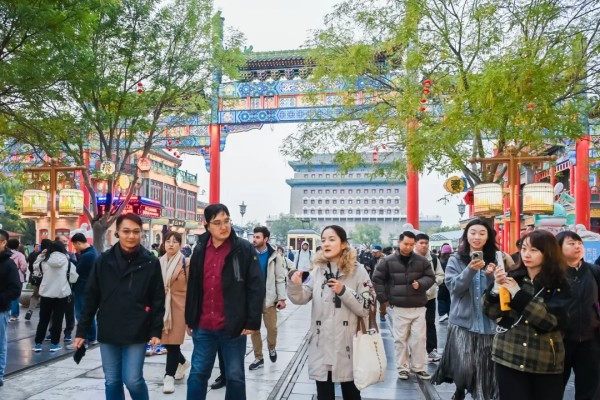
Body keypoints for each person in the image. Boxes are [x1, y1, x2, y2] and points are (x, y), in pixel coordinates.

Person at [73, 213, 165, 400]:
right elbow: (91, 298)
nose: (131, 236)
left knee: (133, 380)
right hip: (109, 328)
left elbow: (157, 298)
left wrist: (156, 330)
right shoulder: (103, 261)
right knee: (112, 380)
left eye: (136, 232)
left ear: (141, 233)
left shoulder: (150, 262)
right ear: (117, 233)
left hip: (137, 328)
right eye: (126, 231)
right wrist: (82, 331)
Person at [185, 203, 264, 400]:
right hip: (203, 325)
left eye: (227, 221)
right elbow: (193, 286)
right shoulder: (200, 249)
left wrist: (252, 321)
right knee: (197, 374)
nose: (224, 227)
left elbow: (256, 287)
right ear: (207, 225)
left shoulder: (243, 249)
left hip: (233, 326)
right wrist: (189, 318)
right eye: (217, 222)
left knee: (235, 376)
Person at [287, 225, 372, 400]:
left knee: (351, 393)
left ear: (343, 244)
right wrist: (295, 285)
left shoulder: (358, 271)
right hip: (322, 343)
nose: (326, 243)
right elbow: (302, 297)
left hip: (348, 344)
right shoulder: (317, 270)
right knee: (324, 394)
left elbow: (367, 306)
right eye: (323, 240)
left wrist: (344, 291)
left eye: (332, 239)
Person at [483, 230, 570, 400]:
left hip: (544, 358)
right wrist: (495, 288)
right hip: (509, 354)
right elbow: (491, 313)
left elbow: (549, 321)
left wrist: (518, 294)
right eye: (523, 249)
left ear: (548, 252)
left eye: (533, 250)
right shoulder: (513, 277)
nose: (526, 254)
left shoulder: (560, 284)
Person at [432, 219, 504, 400]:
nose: (477, 237)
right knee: (464, 368)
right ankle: (460, 388)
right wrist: (470, 270)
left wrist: (491, 278)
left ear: (488, 237)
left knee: (485, 372)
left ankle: (480, 395)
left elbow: (500, 291)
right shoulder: (456, 260)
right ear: (466, 236)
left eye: (482, 233)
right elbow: (454, 288)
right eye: (473, 233)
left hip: (488, 324)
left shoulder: (496, 259)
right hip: (463, 324)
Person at [373, 231, 435, 381]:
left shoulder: (421, 260)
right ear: (399, 242)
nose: (408, 247)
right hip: (399, 307)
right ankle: (402, 368)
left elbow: (430, 277)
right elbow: (377, 279)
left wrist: (421, 284)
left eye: (411, 244)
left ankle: (418, 367)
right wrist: (384, 299)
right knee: (400, 339)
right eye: (406, 244)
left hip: (418, 305)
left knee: (419, 339)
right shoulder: (387, 261)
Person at [556, 231, 600, 400]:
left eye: (580, 243)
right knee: (554, 388)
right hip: (560, 340)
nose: (577, 246)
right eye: (571, 243)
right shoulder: (552, 274)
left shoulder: (594, 271)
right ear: (558, 248)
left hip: (590, 341)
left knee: (590, 390)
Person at [249, 226, 287, 371]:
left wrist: (281, 298)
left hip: (269, 297)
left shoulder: (275, 256)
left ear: (266, 239)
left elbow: (280, 278)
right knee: (254, 329)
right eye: (254, 237)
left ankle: (272, 347)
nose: (254, 239)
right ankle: (258, 358)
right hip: (253, 297)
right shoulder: (249, 254)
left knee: (272, 328)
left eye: (257, 237)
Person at [32, 240, 78, 352]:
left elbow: (35, 267)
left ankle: (38, 344)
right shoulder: (67, 262)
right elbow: (74, 278)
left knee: (43, 319)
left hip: (46, 294)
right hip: (61, 295)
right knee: (58, 320)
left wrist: (41, 256)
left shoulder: (44, 261)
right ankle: (54, 344)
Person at [159, 231, 190, 394]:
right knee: (165, 341)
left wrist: (191, 315)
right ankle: (183, 363)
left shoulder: (185, 262)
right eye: (168, 241)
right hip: (162, 308)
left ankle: (168, 377)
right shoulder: (158, 262)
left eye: (175, 241)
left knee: (173, 344)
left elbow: (192, 289)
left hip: (179, 308)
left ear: (180, 244)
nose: (171, 244)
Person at [414, 233, 445, 363]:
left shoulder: (433, 258)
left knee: (430, 323)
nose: (424, 245)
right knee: (413, 324)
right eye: (421, 243)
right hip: (413, 297)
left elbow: (440, 275)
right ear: (415, 243)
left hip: (430, 297)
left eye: (426, 243)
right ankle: (413, 351)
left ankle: (431, 350)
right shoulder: (409, 257)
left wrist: (433, 284)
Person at [0, 229, 21, 387]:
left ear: (3, 243)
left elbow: (15, 290)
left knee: (0, 344)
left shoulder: (8, 264)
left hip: (1, 310)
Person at [70, 233, 98, 345]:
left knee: (82, 314)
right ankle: (92, 338)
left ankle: (83, 340)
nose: (74, 248)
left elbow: (77, 270)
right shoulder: (93, 251)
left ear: (78, 243)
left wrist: (70, 260)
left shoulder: (87, 256)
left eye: (74, 245)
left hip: (82, 287)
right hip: (89, 287)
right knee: (88, 314)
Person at [7, 238, 28, 321]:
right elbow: (24, 266)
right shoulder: (20, 255)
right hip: (18, 277)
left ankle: (6, 312)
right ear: (17, 246)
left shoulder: (4, 254)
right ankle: (14, 315)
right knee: (16, 296)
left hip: (6, 277)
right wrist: (22, 272)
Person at [24, 243, 41, 320]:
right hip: (40, 278)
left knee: (35, 295)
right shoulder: (33, 254)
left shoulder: (38, 255)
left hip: (35, 277)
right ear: (34, 247)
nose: (37, 248)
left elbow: (30, 266)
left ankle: (30, 310)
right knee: (38, 295)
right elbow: (29, 264)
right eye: (36, 246)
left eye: (38, 246)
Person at [437, 244, 453, 322]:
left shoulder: (439, 260)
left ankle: (442, 314)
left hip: (442, 283)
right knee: (449, 298)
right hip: (450, 283)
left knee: (441, 298)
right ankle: (449, 313)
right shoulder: (452, 260)